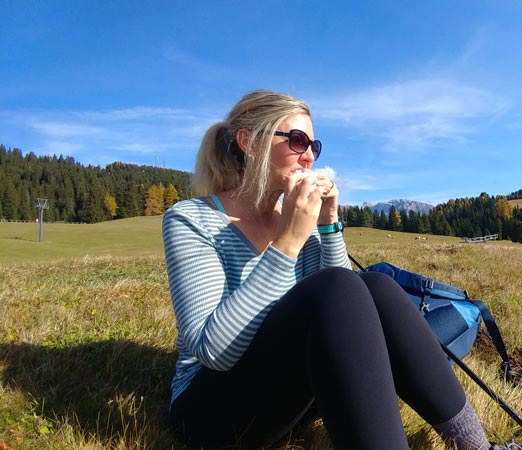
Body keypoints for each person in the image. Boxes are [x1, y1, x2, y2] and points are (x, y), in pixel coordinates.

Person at [162, 89, 504, 449]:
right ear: (249, 142)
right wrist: (286, 243)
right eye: (296, 140)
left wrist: (327, 224)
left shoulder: (297, 216)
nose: (309, 156)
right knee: (338, 285)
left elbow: (345, 313)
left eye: (314, 145)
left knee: (376, 286)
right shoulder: (191, 220)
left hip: (286, 393)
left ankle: (478, 445)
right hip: (211, 413)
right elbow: (214, 351)